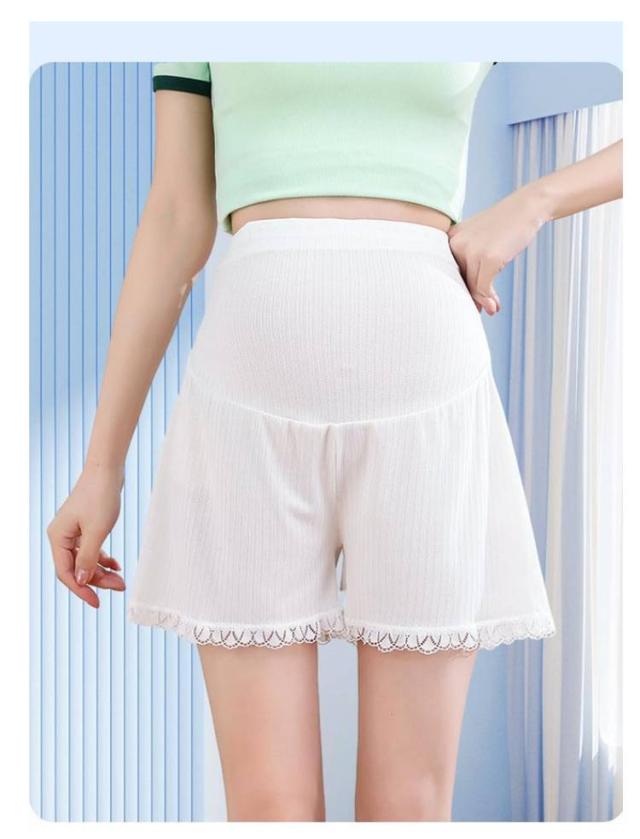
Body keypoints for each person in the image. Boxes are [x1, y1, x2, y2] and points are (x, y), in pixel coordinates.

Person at [46, 61, 622, 822]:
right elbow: (178, 215)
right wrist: (101, 467)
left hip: (428, 389)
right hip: (245, 394)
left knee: (409, 807)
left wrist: (536, 201)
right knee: (268, 808)